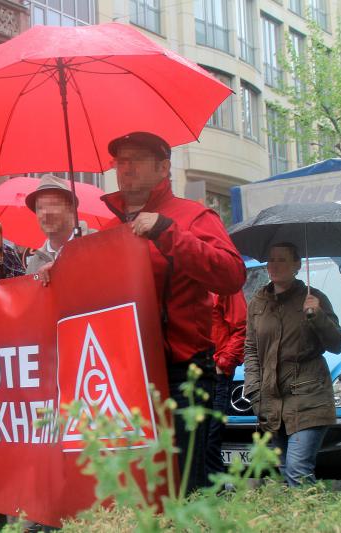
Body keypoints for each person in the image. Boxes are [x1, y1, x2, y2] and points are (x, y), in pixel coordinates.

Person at [100, 131, 246, 493]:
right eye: (120, 161)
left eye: (135, 159)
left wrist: (168, 233)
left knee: (183, 486)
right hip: (124, 375)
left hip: (183, 372)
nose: (125, 168)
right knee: (135, 485)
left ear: (163, 167)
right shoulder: (106, 229)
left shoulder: (193, 215)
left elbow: (231, 274)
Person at [244, 242, 341, 486]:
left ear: (297, 265)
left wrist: (317, 316)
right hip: (272, 404)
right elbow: (251, 349)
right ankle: (306, 521)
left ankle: (308, 522)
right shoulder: (258, 303)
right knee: (285, 473)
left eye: (282, 259)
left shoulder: (314, 298)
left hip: (309, 398)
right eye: (271, 260)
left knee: (298, 470)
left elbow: (337, 344)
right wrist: (255, 392)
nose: (274, 265)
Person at [205, 291, 247, 478]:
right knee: (194, 441)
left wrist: (224, 362)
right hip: (190, 373)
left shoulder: (224, 283)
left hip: (216, 374)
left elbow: (243, 328)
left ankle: (215, 496)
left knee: (209, 440)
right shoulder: (184, 280)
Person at [24, 173, 91, 280]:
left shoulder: (96, 243)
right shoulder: (34, 264)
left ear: (71, 208)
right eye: (40, 208)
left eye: (53, 204)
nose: (46, 213)